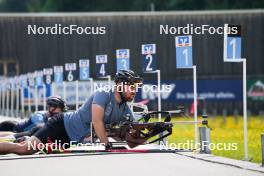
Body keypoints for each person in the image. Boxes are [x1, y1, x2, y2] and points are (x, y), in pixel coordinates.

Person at [0, 69, 143, 155]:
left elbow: (131, 136)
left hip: (71, 139)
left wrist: (145, 134)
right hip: (61, 125)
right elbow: (96, 121)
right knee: (24, 149)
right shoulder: (103, 93)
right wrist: (107, 144)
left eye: (135, 87)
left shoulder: (125, 108)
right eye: (131, 87)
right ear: (119, 85)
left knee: (31, 147)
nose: (134, 91)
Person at [0, 96, 67, 140]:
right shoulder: (39, 116)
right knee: (14, 134)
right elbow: (43, 129)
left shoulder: (53, 116)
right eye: (60, 108)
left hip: (20, 131)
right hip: (10, 127)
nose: (61, 111)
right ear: (51, 108)